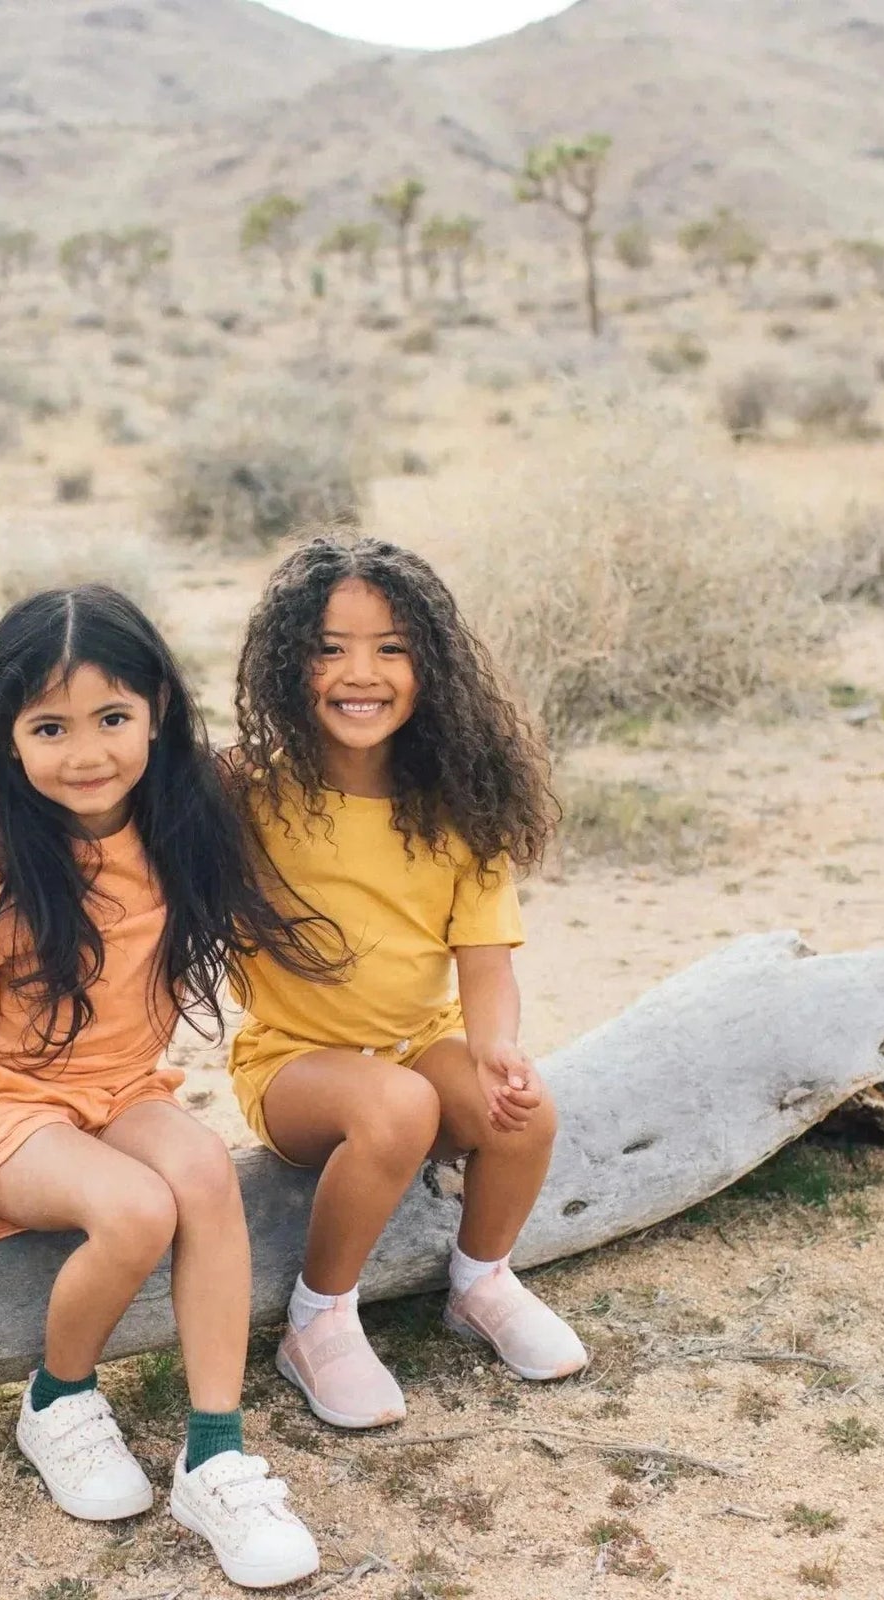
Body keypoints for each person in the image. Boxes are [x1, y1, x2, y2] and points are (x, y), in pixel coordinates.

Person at [0, 585, 335, 1588]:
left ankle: (215, 1451)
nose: (87, 751)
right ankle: (57, 1399)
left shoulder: (187, 806)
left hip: (123, 1085)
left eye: (113, 718)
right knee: (138, 1207)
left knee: (202, 1173)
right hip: (7, 1104)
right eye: (48, 727)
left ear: (155, 709)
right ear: (3, 736)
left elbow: (289, 746)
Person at [224, 534, 587, 1429]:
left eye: (392, 648)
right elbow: (113, 785)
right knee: (396, 1108)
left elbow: (486, 965)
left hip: (419, 1048)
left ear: (432, 666)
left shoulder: (460, 806)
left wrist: (497, 1049)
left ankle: (481, 1281)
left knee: (524, 1109)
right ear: (287, 664)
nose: (363, 672)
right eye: (330, 648)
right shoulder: (242, 790)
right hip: (296, 1066)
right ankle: (318, 1320)